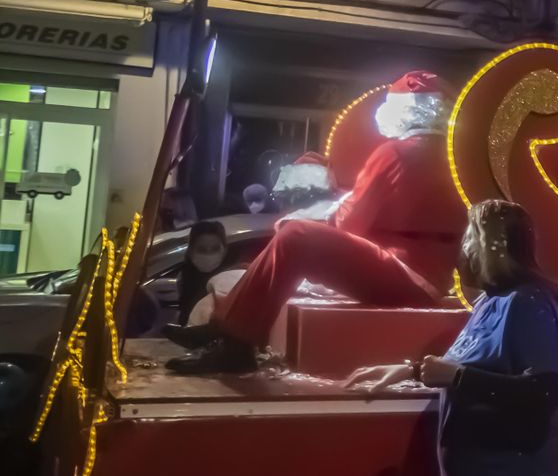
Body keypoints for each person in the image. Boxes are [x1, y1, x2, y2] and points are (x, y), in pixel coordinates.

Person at [165, 71, 468, 375]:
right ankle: (225, 329)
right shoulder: (454, 156)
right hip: (431, 278)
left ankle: (235, 346)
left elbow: (350, 221)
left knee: (294, 234)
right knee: (293, 234)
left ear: (405, 108)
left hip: (404, 273)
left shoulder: (396, 152)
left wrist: (310, 218)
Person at [346, 200, 558, 476]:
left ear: (492, 246)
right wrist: (411, 370)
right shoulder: (491, 302)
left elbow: (541, 394)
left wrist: (457, 378)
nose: (464, 248)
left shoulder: (530, 302)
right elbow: (480, 365)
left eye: (470, 237)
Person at [175, 221, 229, 325]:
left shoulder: (231, 281)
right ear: (191, 251)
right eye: (201, 249)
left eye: (215, 249)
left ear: (225, 250)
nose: (208, 254)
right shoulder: (184, 278)